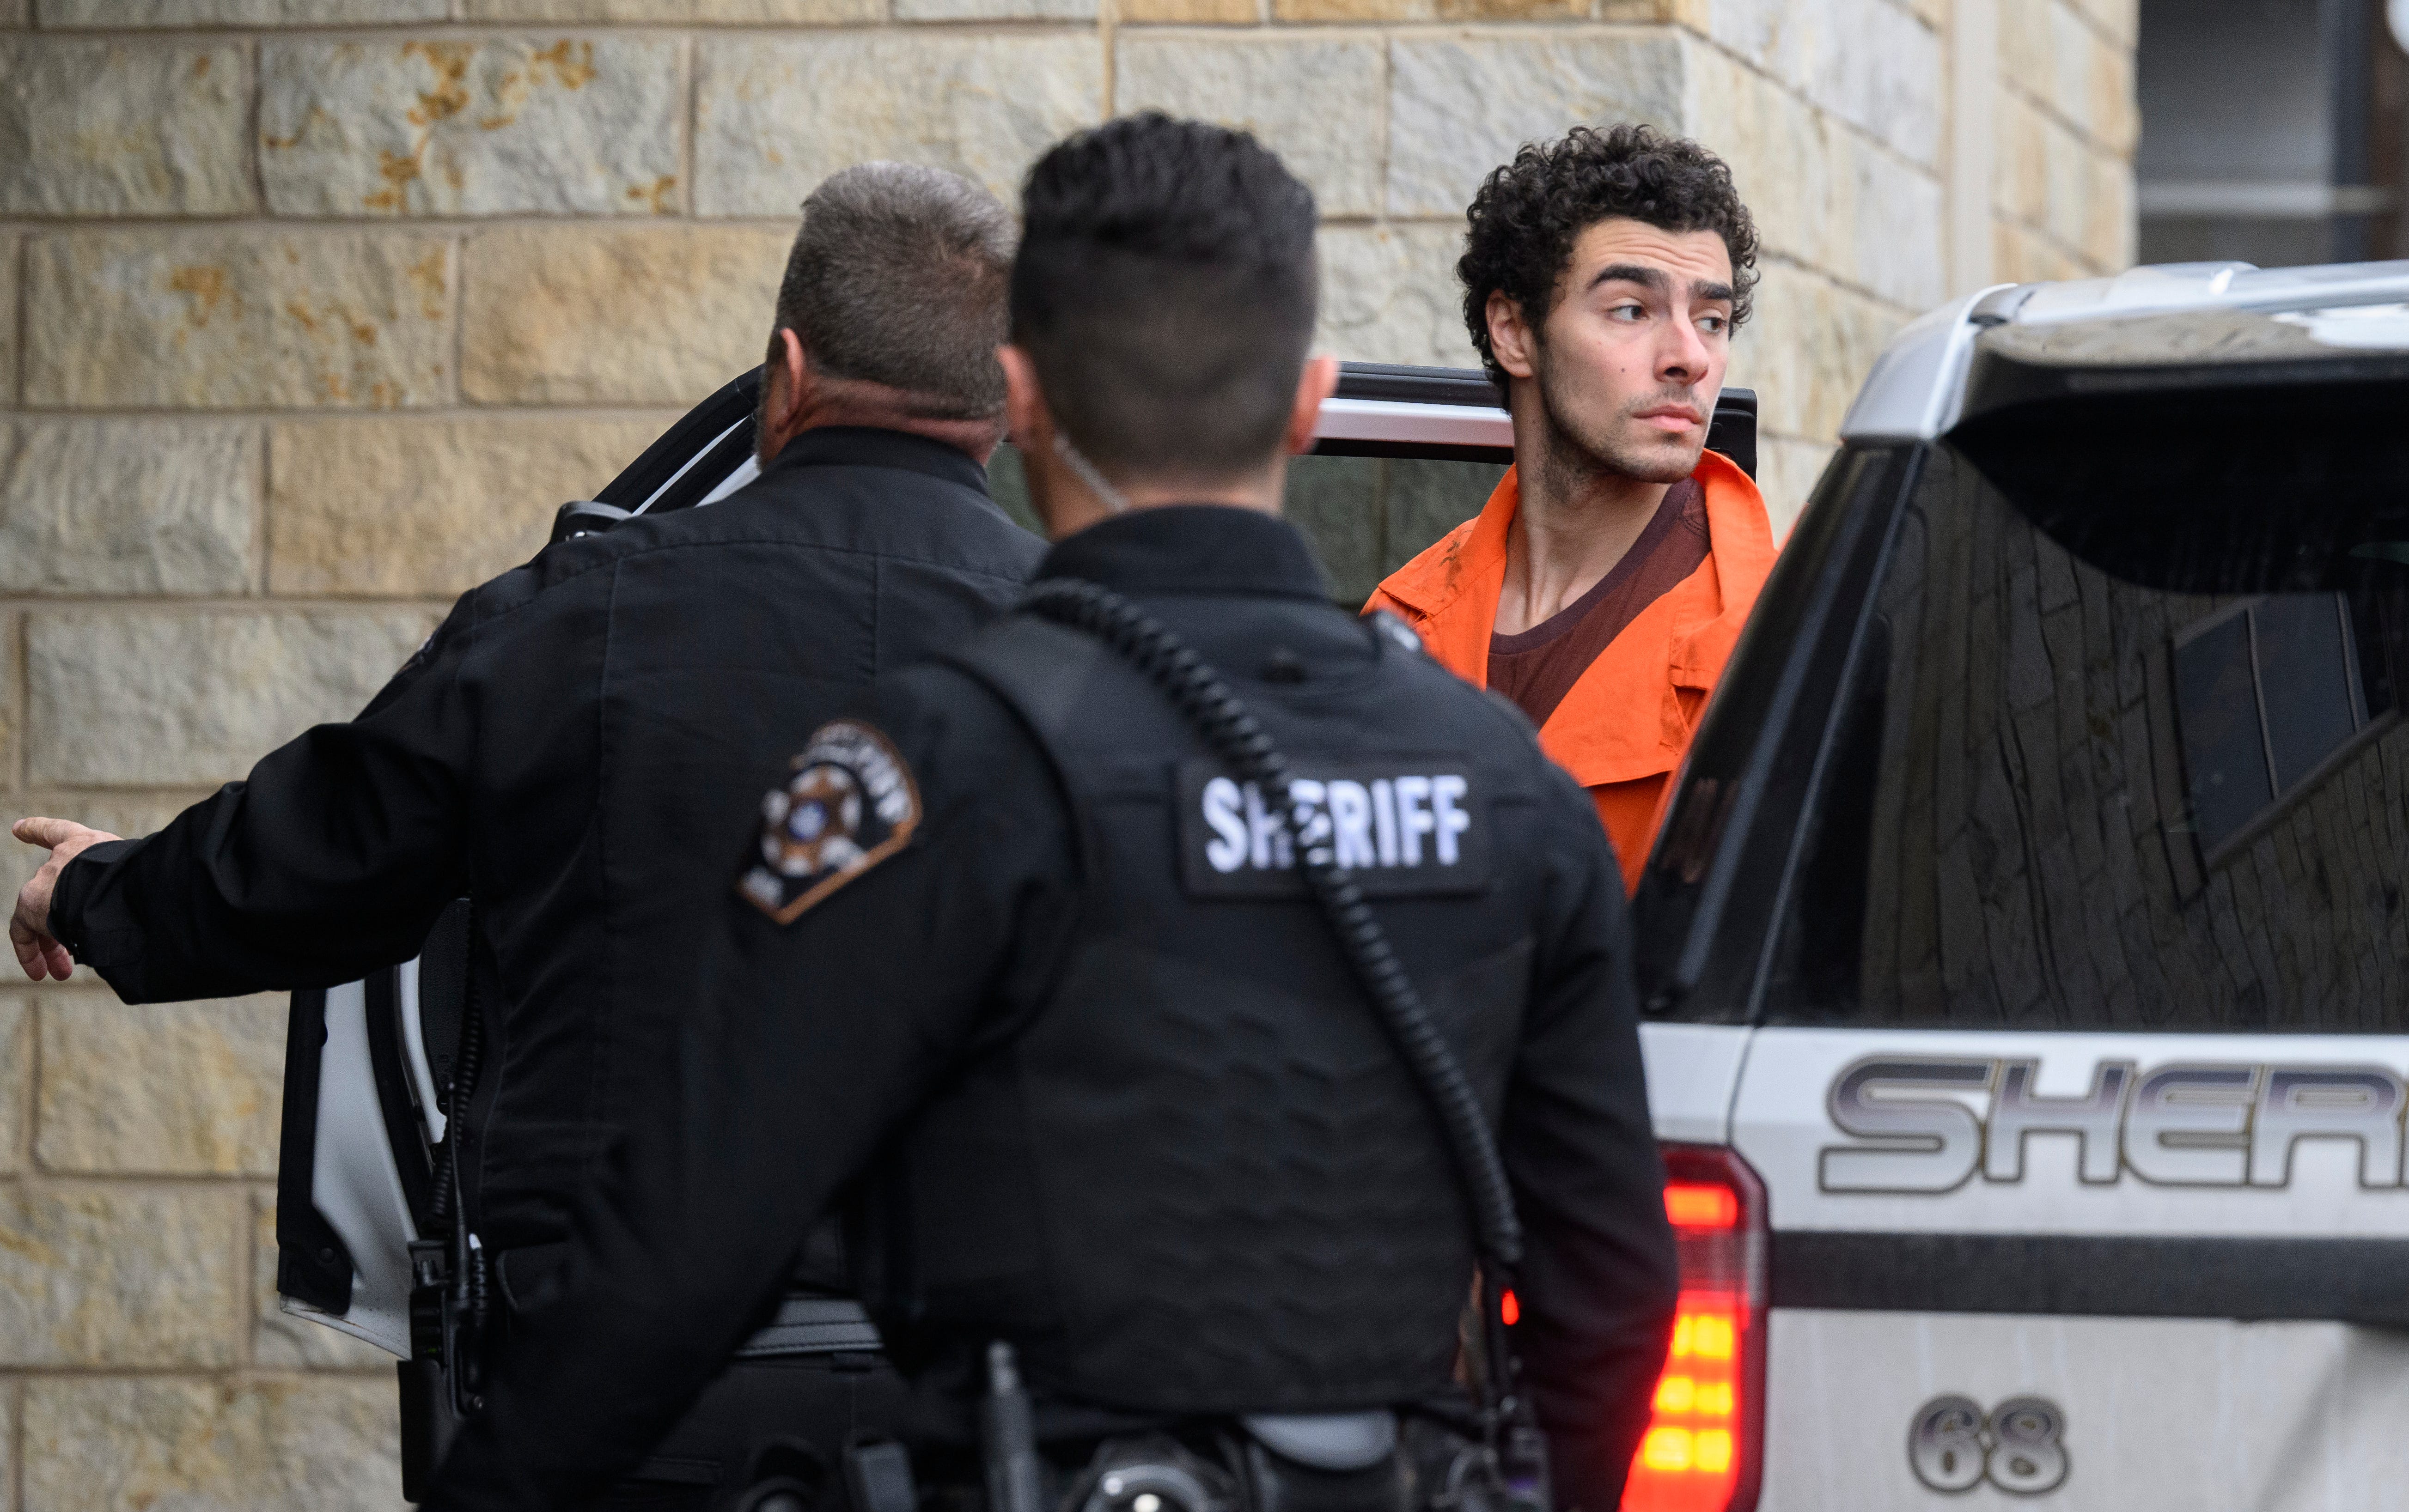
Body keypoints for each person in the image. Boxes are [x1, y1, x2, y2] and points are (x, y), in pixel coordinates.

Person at [420, 113, 1678, 1512]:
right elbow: (1614, 1289)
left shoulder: (927, 768)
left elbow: (681, 1251)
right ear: (1308, 398)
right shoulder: (1506, 781)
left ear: (1019, 397)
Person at [9, 164, 1045, 1507]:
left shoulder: (578, 616)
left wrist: (95, 888)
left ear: (787, 373)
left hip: (619, 1408)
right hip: (998, 1418)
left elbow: (312, 863)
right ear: (1005, 398)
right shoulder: (1101, 649)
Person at [1365, 125, 1777, 891]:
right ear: (1514, 332)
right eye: (1630, 309)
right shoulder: (1399, 622)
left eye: (1711, 320)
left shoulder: (1777, 644)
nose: (1689, 356)